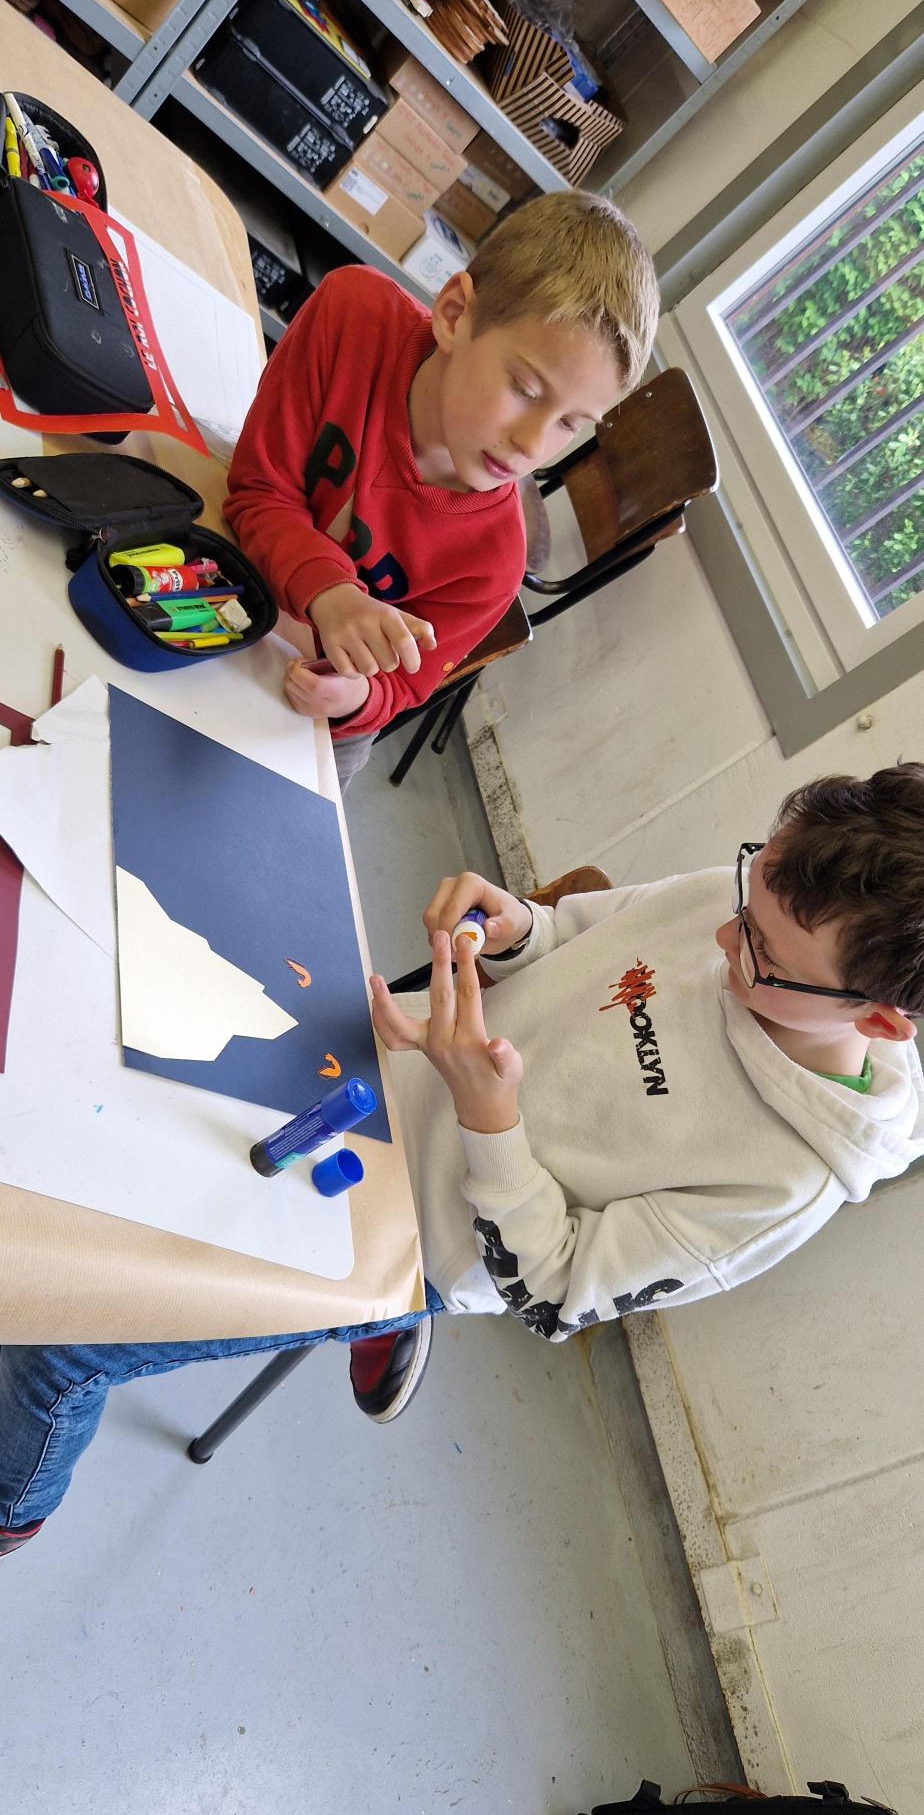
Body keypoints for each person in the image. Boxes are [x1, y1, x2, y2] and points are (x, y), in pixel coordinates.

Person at [2, 767, 922, 1555]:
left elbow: (554, 1292)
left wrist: (488, 1117)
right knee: (99, 1091)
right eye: (742, 898)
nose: (724, 939)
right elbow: (571, 936)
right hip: (372, 1072)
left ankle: (13, 1514)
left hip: (409, 1238)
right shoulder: (757, 907)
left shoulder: (785, 1180)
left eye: (760, 950)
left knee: (63, 1342)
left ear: (879, 1021)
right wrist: (514, 930)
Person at [223, 193, 659, 790]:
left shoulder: (494, 564)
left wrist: (353, 697)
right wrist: (332, 593)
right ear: (454, 315)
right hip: (240, 577)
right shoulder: (353, 315)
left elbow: (399, 688)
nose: (532, 444)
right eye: (525, 389)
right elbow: (256, 492)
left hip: (316, 705)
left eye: (569, 423)